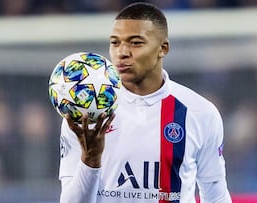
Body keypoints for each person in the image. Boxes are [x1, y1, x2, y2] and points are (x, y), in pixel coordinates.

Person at [58, 2, 232, 203]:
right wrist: (90, 161)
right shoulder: (86, 113)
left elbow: (216, 196)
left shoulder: (200, 113)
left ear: (162, 48)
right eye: (115, 43)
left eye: (135, 43)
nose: (122, 52)